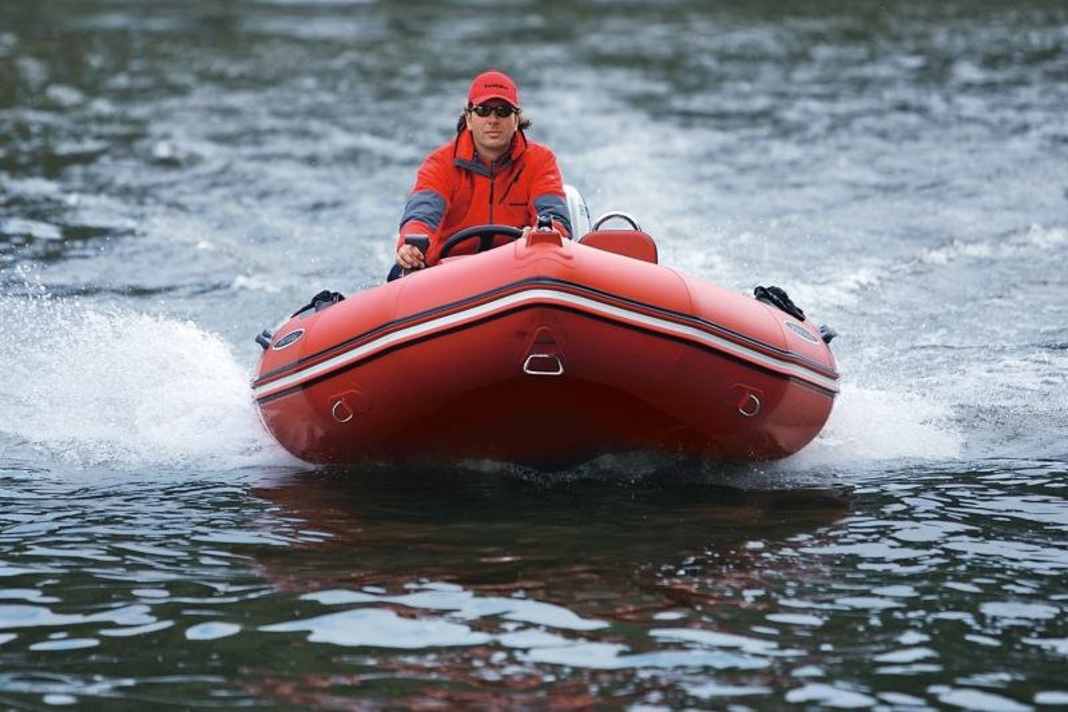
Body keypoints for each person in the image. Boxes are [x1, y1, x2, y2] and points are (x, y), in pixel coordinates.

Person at [391, 70, 571, 277]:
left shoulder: (541, 160)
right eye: (483, 110)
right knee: (399, 272)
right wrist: (410, 246)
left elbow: (554, 217)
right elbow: (422, 215)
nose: (493, 120)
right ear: (468, 118)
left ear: (516, 120)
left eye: (502, 111)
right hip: (447, 276)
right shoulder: (439, 163)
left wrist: (542, 235)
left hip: (520, 271)